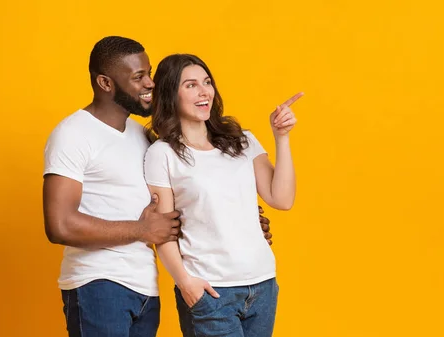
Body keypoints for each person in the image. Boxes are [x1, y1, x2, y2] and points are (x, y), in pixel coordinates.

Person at [42, 36, 273, 337]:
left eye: (149, 73)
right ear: (105, 83)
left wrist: (237, 220)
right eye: (138, 77)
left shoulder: (144, 137)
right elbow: (59, 225)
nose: (150, 83)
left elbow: (182, 197)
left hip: (144, 288)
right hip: (97, 283)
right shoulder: (73, 134)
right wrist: (142, 230)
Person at [144, 53, 300, 337]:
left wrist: (281, 138)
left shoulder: (243, 141)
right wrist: (185, 282)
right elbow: (162, 231)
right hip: (211, 291)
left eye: (207, 82)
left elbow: (282, 199)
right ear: (170, 94)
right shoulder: (162, 154)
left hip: (262, 284)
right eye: (190, 85)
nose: (204, 92)